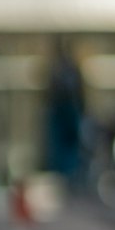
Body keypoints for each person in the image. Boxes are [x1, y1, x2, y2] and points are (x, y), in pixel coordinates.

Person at [43, 38, 86, 187]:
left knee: (70, 148)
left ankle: (71, 176)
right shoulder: (57, 70)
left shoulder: (69, 70)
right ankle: (65, 177)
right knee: (61, 148)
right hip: (62, 112)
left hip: (68, 111)